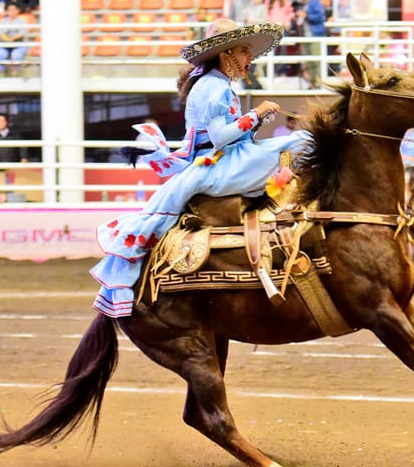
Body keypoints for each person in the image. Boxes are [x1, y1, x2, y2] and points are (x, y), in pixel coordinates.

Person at [90, 19, 309, 317]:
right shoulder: (212, 87)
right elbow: (219, 138)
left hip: (225, 159)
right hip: (219, 165)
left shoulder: (217, 85)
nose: (249, 59)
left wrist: (253, 121)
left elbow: (226, 133)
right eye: (244, 52)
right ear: (226, 54)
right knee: (301, 141)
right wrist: (254, 115)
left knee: (298, 141)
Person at [292, 0, 328, 88]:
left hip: (315, 35)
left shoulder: (315, 3)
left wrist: (306, 16)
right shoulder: (299, 6)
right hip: (303, 37)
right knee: (309, 62)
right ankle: (312, 84)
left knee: (317, 60)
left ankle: (320, 83)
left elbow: (319, 17)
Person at [0, 2, 29, 77]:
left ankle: (16, 72)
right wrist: (7, 39)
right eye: (9, 10)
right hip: (5, 43)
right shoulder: (3, 21)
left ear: (17, 10)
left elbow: (22, 33)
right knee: (1, 53)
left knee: (16, 54)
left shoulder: (21, 21)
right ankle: (1, 72)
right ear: (6, 11)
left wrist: (12, 38)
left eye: (13, 9)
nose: (11, 12)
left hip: (18, 43)